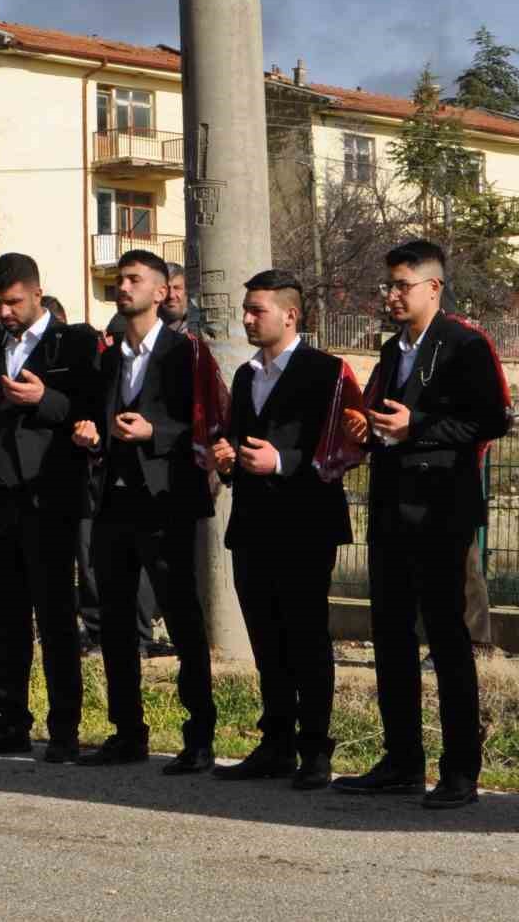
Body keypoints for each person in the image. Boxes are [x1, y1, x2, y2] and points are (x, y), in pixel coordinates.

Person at [332, 240, 509, 809]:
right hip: (390, 506)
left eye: (401, 285)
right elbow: (388, 417)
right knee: (390, 637)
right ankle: (402, 760)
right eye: (388, 285)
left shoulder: (464, 344)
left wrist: (420, 426)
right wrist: (369, 427)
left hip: (440, 512)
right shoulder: (393, 349)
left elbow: (491, 419)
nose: (391, 295)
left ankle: (460, 770)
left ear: (433, 288)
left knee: (447, 638)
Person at [210, 270, 360, 789]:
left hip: (305, 525)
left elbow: (343, 448)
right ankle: (275, 743)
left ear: (290, 315)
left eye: (258, 310)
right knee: (266, 639)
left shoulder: (327, 372)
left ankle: (315, 749)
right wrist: (227, 457)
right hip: (252, 525)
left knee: (306, 638)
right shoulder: (247, 374)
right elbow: (235, 439)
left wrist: (282, 460)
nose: (247, 318)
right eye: (246, 309)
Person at [72, 250, 218, 773]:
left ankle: (199, 736)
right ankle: (127, 731)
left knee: (181, 619)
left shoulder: (187, 354)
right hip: (114, 500)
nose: (123, 286)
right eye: (120, 278)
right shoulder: (110, 356)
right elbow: (95, 417)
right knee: (114, 619)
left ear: (161, 292)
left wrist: (156, 433)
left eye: (134, 279)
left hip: (166, 502)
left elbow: (208, 425)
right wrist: (90, 434)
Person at [0, 253, 98, 762]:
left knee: (56, 619)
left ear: (37, 294)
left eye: (14, 302)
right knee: (7, 621)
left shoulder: (74, 341)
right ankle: (8, 722)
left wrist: (45, 399)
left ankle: (64, 730)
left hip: (48, 498)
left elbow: (89, 411)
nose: (4, 312)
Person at [161, 262, 191, 334]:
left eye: (177, 288)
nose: (171, 295)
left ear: (186, 291)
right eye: (166, 289)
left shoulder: (197, 329)